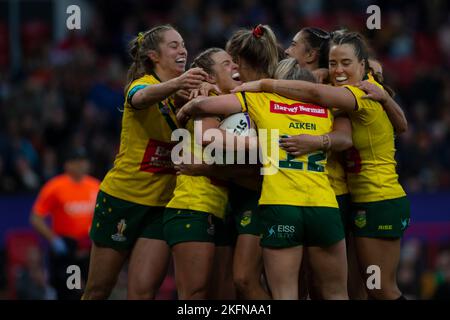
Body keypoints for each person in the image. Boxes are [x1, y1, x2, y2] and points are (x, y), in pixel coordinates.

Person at [232, 31, 411, 300]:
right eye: (333, 63)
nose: (338, 70)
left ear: (363, 64)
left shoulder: (356, 93)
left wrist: (263, 85)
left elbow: (318, 96)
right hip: (355, 198)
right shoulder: (364, 90)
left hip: (377, 198)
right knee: (355, 288)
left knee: (380, 288)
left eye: (346, 63)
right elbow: (402, 125)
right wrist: (386, 98)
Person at [177, 59, 349, 300]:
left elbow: (206, 107)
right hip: (323, 206)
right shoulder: (325, 108)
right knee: (336, 294)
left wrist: (190, 105)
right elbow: (345, 138)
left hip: (281, 205)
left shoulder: (261, 100)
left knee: (285, 295)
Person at [83, 24, 207, 300]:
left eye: (183, 44)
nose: (183, 50)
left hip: (161, 207)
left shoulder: (191, 94)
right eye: (173, 45)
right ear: (154, 55)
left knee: (143, 293)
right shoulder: (143, 85)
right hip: (122, 199)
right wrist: (179, 82)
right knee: (97, 290)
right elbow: (138, 99)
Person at [162, 48, 241, 300]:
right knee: (195, 296)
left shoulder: (232, 102)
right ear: (209, 77)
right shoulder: (204, 103)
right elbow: (212, 141)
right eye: (227, 63)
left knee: (224, 295)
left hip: (223, 210)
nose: (235, 66)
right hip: (193, 207)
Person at [30, 148, 99, 300]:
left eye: (84, 161)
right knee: (72, 291)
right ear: (67, 165)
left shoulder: (95, 186)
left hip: (89, 249)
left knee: (92, 291)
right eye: (77, 161)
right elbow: (36, 218)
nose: (82, 165)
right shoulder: (55, 187)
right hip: (67, 251)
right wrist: (54, 239)